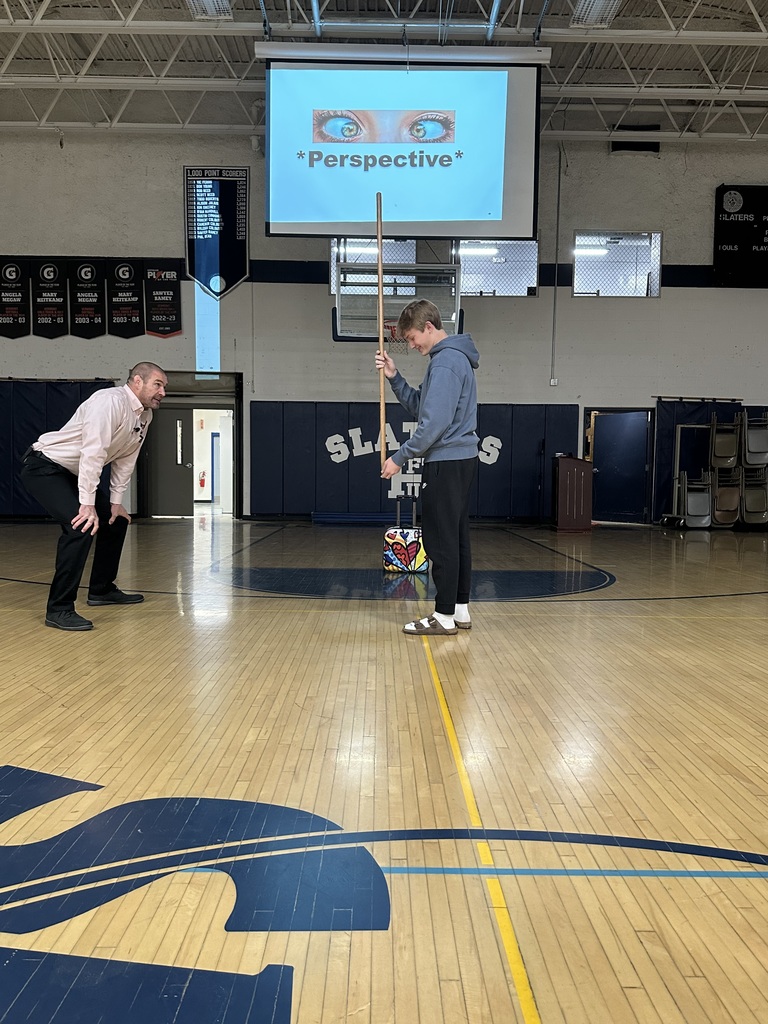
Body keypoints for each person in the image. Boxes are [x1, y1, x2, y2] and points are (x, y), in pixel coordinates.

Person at [20, 362, 168, 632]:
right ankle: (59, 608)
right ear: (137, 381)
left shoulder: (144, 415)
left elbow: (126, 458)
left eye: (164, 387)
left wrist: (115, 502)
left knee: (116, 521)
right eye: (157, 385)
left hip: (73, 473)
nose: (162, 392)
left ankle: (102, 590)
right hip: (45, 467)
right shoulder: (109, 401)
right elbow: (93, 452)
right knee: (81, 525)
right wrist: (87, 505)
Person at [375, 299, 479, 636]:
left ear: (429, 327)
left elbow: (433, 424)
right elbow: (423, 407)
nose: (411, 345)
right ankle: (459, 609)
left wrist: (399, 457)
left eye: (412, 337)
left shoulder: (446, 362)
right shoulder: (449, 359)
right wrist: (394, 377)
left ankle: (444, 615)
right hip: (460, 459)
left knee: (440, 540)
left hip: (446, 461)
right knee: (456, 537)